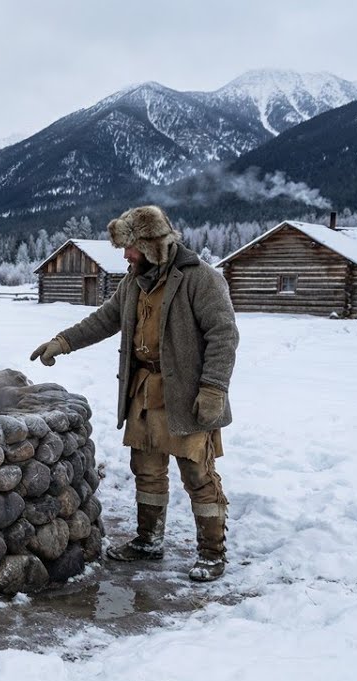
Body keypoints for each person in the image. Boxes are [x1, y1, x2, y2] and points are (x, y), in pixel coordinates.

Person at [29, 205, 238, 582]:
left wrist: (213, 388)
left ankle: (211, 552)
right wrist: (62, 342)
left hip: (188, 394)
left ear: (153, 245)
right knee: (147, 471)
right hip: (144, 391)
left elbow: (223, 335)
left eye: (132, 247)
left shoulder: (200, 279)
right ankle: (148, 540)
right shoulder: (133, 281)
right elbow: (104, 320)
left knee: (198, 474)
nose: (125, 255)